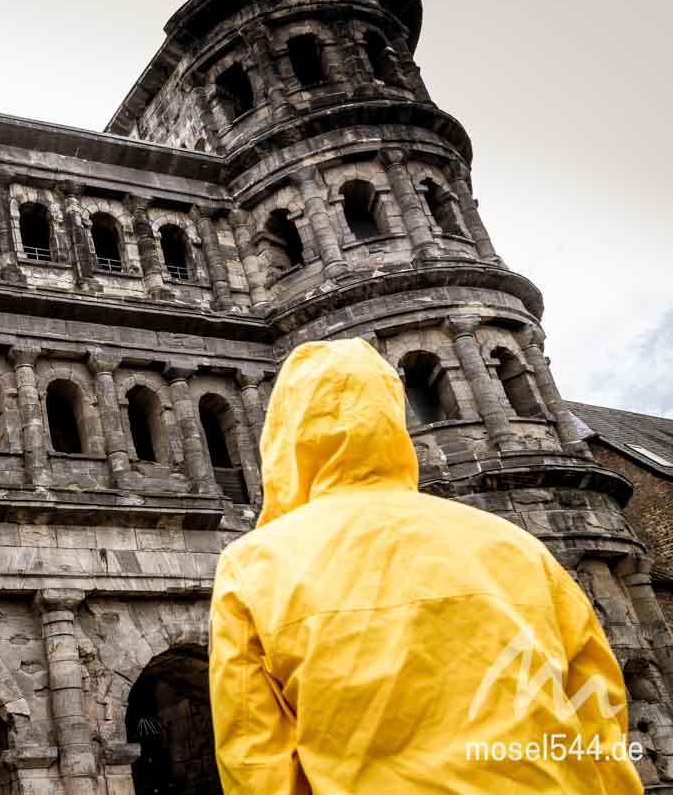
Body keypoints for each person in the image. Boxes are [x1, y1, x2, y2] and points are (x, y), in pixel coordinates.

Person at [210, 338, 642, 793]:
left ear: (283, 434)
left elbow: (255, 762)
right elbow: (599, 720)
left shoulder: (253, 567)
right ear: (391, 419)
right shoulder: (516, 545)